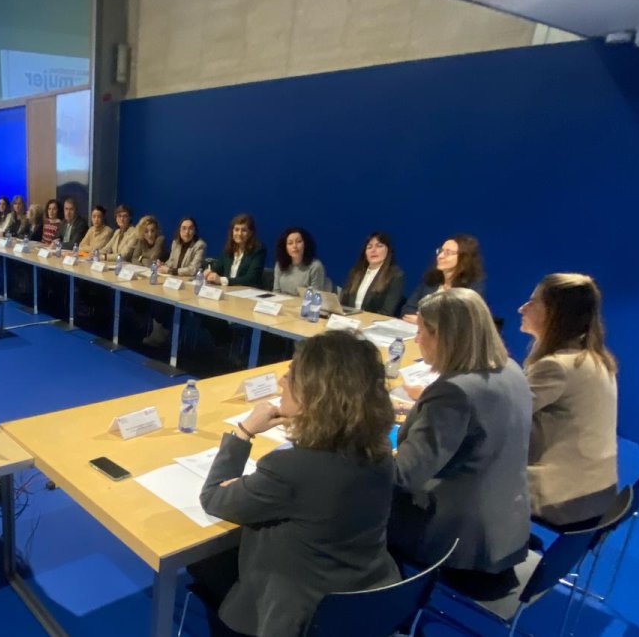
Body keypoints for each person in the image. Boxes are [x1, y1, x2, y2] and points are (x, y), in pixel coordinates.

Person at [193, 330, 400, 636]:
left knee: (203, 562)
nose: (281, 382)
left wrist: (244, 432)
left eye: (290, 375)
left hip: (299, 613)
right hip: (367, 597)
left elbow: (214, 498)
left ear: (315, 393)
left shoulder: (290, 467)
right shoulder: (380, 449)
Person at [390, 288, 532, 597]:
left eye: (422, 331)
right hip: (504, 529)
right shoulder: (510, 368)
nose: (417, 339)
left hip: (455, 539)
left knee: (347, 503)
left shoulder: (453, 392)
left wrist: (355, 445)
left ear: (445, 336)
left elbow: (404, 475)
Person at [519, 273, 619, 528]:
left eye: (533, 302)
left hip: (561, 500)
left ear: (556, 313)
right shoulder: (595, 359)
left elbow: (500, 416)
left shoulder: (556, 367)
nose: (522, 308)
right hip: (594, 494)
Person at [145, 218, 207, 347]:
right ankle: (159, 331)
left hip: (188, 287)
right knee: (156, 296)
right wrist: (163, 265)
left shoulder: (199, 245)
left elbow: (193, 269)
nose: (187, 232)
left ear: (195, 231)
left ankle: (164, 333)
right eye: (184, 228)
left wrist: (170, 270)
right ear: (179, 230)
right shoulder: (175, 243)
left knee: (166, 303)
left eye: (190, 228)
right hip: (173, 283)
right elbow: (171, 263)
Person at [401, 234, 485, 321]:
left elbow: (460, 322)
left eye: (448, 253)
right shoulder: (430, 280)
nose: (440, 256)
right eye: (440, 251)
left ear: (464, 258)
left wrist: (425, 322)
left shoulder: (471, 289)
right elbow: (408, 309)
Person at [340, 232, 406, 316]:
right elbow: (343, 304)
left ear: (388, 250)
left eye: (379, 246)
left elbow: (387, 312)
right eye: (369, 247)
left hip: (373, 321)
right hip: (349, 319)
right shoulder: (355, 272)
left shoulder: (396, 275)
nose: (373, 250)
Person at [205, 214, 267, 288]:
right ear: (232, 232)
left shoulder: (258, 249)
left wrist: (222, 280)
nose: (239, 234)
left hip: (248, 291)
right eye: (236, 230)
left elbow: (251, 278)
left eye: (244, 230)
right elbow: (218, 268)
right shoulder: (228, 249)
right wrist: (210, 273)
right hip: (229, 290)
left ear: (250, 233)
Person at [273, 227, 326, 295]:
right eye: (290, 243)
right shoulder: (279, 264)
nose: (294, 246)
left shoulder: (315, 266)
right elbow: (276, 291)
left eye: (298, 241)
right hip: (283, 301)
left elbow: (315, 297)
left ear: (305, 244)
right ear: (285, 247)